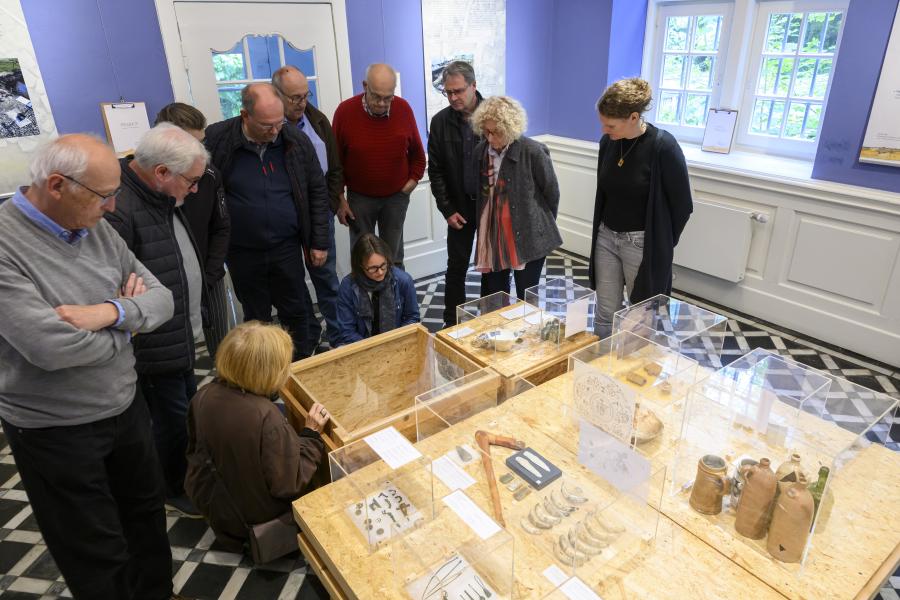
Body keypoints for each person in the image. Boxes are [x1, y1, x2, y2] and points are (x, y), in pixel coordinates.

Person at [0, 134, 177, 598]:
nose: (114, 207)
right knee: (94, 551)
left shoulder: (97, 229)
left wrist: (111, 314)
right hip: (57, 430)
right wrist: (132, 330)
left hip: (124, 407)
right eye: (105, 195)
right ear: (57, 185)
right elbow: (50, 347)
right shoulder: (5, 246)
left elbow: (163, 299)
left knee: (147, 525)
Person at [105, 123, 210, 517]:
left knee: (183, 412)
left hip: (175, 333)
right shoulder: (121, 209)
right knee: (168, 421)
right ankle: (173, 488)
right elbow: (121, 290)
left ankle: (186, 476)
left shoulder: (158, 198)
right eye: (192, 181)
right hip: (152, 342)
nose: (195, 189)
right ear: (162, 172)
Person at [205, 83, 331, 359]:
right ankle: (262, 372)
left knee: (296, 309)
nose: (275, 132)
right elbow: (203, 194)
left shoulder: (294, 140)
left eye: (279, 122)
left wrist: (319, 241)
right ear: (244, 115)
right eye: (266, 126)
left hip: (286, 246)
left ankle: (298, 365)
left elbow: (317, 192)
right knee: (256, 317)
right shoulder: (217, 139)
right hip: (241, 250)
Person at [184, 321, 329, 552]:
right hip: (255, 523)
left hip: (217, 507)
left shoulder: (203, 395)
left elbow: (194, 450)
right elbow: (289, 484)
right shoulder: (265, 417)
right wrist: (311, 435)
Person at [590, 78, 693, 337]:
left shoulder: (663, 147)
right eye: (602, 122)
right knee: (605, 311)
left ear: (634, 117)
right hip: (606, 237)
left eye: (610, 124)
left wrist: (662, 241)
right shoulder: (609, 143)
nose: (604, 129)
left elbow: (682, 205)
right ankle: (599, 370)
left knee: (640, 316)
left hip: (641, 243)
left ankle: (634, 373)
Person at [154, 102, 232, 358]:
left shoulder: (209, 175)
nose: (199, 150)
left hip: (209, 276)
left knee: (223, 348)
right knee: (177, 353)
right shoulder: (148, 183)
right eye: (191, 142)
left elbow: (221, 226)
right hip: (165, 285)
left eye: (201, 141)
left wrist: (210, 275)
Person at [272, 65, 342, 348]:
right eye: (294, 98)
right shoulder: (269, 129)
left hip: (320, 214)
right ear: (277, 96)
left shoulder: (317, 119)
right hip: (286, 220)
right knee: (292, 284)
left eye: (305, 95)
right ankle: (306, 339)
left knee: (327, 279)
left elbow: (335, 167)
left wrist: (335, 202)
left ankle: (340, 335)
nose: (302, 103)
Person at [332, 63, 426, 267]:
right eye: (376, 96)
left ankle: (393, 298)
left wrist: (409, 185)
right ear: (365, 86)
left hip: (395, 198)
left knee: (393, 258)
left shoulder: (403, 108)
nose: (382, 103)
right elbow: (335, 162)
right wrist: (340, 199)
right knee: (362, 257)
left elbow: (418, 155)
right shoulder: (345, 111)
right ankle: (365, 299)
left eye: (388, 97)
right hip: (359, 200)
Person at [469, 96, 562, 299]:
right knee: (494, 294)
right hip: (493, 235)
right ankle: (498, 330)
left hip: (529, 236)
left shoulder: (533, 151)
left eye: (496, 132)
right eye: (487, 131)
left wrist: (539, 225)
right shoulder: (481, 152)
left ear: (510, 128)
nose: (490, 138)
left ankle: (528, 332)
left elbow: (551, 193)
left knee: (527, 295)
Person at [428, 60, 484, 329]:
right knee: (456, 268)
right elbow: (435, 170)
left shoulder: (494, 115)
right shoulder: (440, 122)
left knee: (493, 269)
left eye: (459, 91)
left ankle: (489, 322)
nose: (453, 97)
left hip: (489, 209)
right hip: (458, 209)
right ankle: (453, 325)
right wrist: (447, 209)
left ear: (473, 86)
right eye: (448, 92)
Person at [335, 233, 420, 346]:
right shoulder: (347, 286)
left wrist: (396, 341)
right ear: (360, 266)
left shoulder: (403, 280)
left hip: (396, 343)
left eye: (383, 265)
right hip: (362, 345)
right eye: (373, 268)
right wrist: (372, 348)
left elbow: (412, 318)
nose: (380, 272)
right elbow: (346, 331)